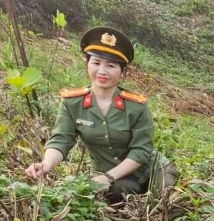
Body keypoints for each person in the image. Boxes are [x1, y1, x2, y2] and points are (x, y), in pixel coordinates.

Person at [25, 27, 176, 203]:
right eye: (96, 63)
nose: (102, 71)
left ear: (122, 71)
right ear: (87, 64)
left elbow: (141, 152)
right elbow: (61, 140)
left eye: (111, 65)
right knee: (116, 196)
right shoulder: (72, 103)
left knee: (165, 200)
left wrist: (108, 177)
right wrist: (46, 164)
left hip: (152, 170)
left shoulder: (137, 106)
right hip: (114, 176)